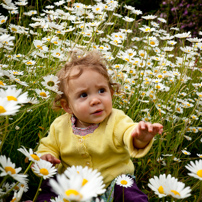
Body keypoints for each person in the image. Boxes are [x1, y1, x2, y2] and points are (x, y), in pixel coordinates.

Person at [35, 50, 163, 202]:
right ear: (67, 106)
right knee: (49, 187)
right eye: (84, 95)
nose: (95, 100)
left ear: (111, 93)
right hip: (72, 185)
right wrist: (46, 157)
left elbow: (128, 132)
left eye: (101, 91)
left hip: (112, 182)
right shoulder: (60, 126)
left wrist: (140, 137)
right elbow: (48, 146)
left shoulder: (116, 119)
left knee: (129, 194)